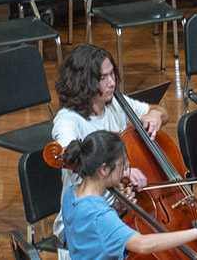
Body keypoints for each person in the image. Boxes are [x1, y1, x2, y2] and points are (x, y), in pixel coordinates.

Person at [50, 44, 168, 259]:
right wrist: (122, 172)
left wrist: (156, 117)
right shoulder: (67, 120)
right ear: (84, 81)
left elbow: (160, 111)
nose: (112, 82)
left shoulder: (114, 103)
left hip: (117, 206)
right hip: (85, 220)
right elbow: (70, 155)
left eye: (112, 73)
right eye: (103, 77)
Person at [59, 131, 197, 260]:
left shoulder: (71, 195)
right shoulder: (101, 216)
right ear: (104, 169)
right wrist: (196, 234)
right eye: (123, 164)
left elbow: (92, 233)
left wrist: (119, 209)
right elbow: (142, 244)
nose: (126, 168)